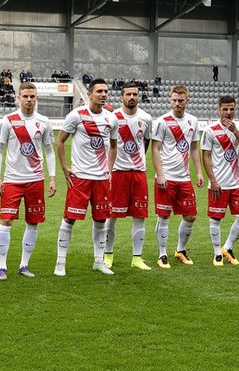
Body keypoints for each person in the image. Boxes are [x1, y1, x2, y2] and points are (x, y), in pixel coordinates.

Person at [54, 79, 118, 276]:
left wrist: (109, 169)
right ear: (89, 94)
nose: (103, 94)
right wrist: (65, 168)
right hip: (80, 177)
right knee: (69, 218)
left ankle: (99, 261)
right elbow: (60, 141)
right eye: (99, 91)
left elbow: (114, 146)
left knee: (101, 220)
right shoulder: (76, 115)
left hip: (101, 179)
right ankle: (60, 263)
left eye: (105, 91)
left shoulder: (111, 119)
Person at [0, 82, 56, 279]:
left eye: (32, 96)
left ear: (37, 98)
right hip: (12, 180)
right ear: (18, 98)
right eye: (26, 96)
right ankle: (2, 266)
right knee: (6, 220)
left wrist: (52, 177)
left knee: (33, 222)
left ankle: (24, 265)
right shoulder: (8, 120)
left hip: (36, 179)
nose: (29, 100)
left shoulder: (44, 121)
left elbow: (49, 151)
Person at [151, 84, 204, 268]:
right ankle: (162, 254)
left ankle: (180, 250)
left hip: (184, 178)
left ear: (187, 101)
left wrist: (198, 171)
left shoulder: (193, 121)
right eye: (174, 100)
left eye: (180, 100)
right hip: (167, 177)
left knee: (191, 216)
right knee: (164, 217)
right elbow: (155, 149)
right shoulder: (162, 121)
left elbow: (194, 147)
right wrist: (160, 174)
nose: (177, 104)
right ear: (170, 100)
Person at [102, 81, 153, 271]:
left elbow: (146, 141)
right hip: (117, 173)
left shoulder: (146, 118)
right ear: (121, 97)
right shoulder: (112, 117)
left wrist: (138, 160)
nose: (132, 97)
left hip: (139, 173)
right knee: (111, 215)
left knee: (140, 216)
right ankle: (108, 255)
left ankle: (137, 258)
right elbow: (108, 145)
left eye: (135, 94)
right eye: (128, 94)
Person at [201, 95, 239, 267]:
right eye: (225, 109)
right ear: (219, 110)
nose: (229, 112)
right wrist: (213, 181)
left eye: (231, 109)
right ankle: (217, 253)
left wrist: (235, 131)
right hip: (219, 183)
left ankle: (227, 247)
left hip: (237, 182)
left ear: (235, 109)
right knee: (215, 219)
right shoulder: (210, 130)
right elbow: (206, 157)